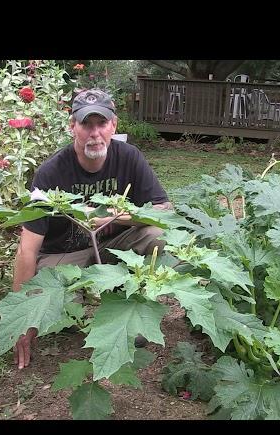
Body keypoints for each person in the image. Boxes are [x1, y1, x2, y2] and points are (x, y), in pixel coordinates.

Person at [11, 89, 172, 369]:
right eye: (86, 124)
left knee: (157, 237)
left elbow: (163, 210)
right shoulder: (50, 173)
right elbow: (27, 249)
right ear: (72, 126)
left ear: (114, 125)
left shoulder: (129, 157)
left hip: (111, 248)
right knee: (56, 314)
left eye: (102, 123)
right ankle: (83, 301)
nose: (94, 133)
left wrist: (110, 217)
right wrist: (20, 317)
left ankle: (129, 311)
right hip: (63, 254)